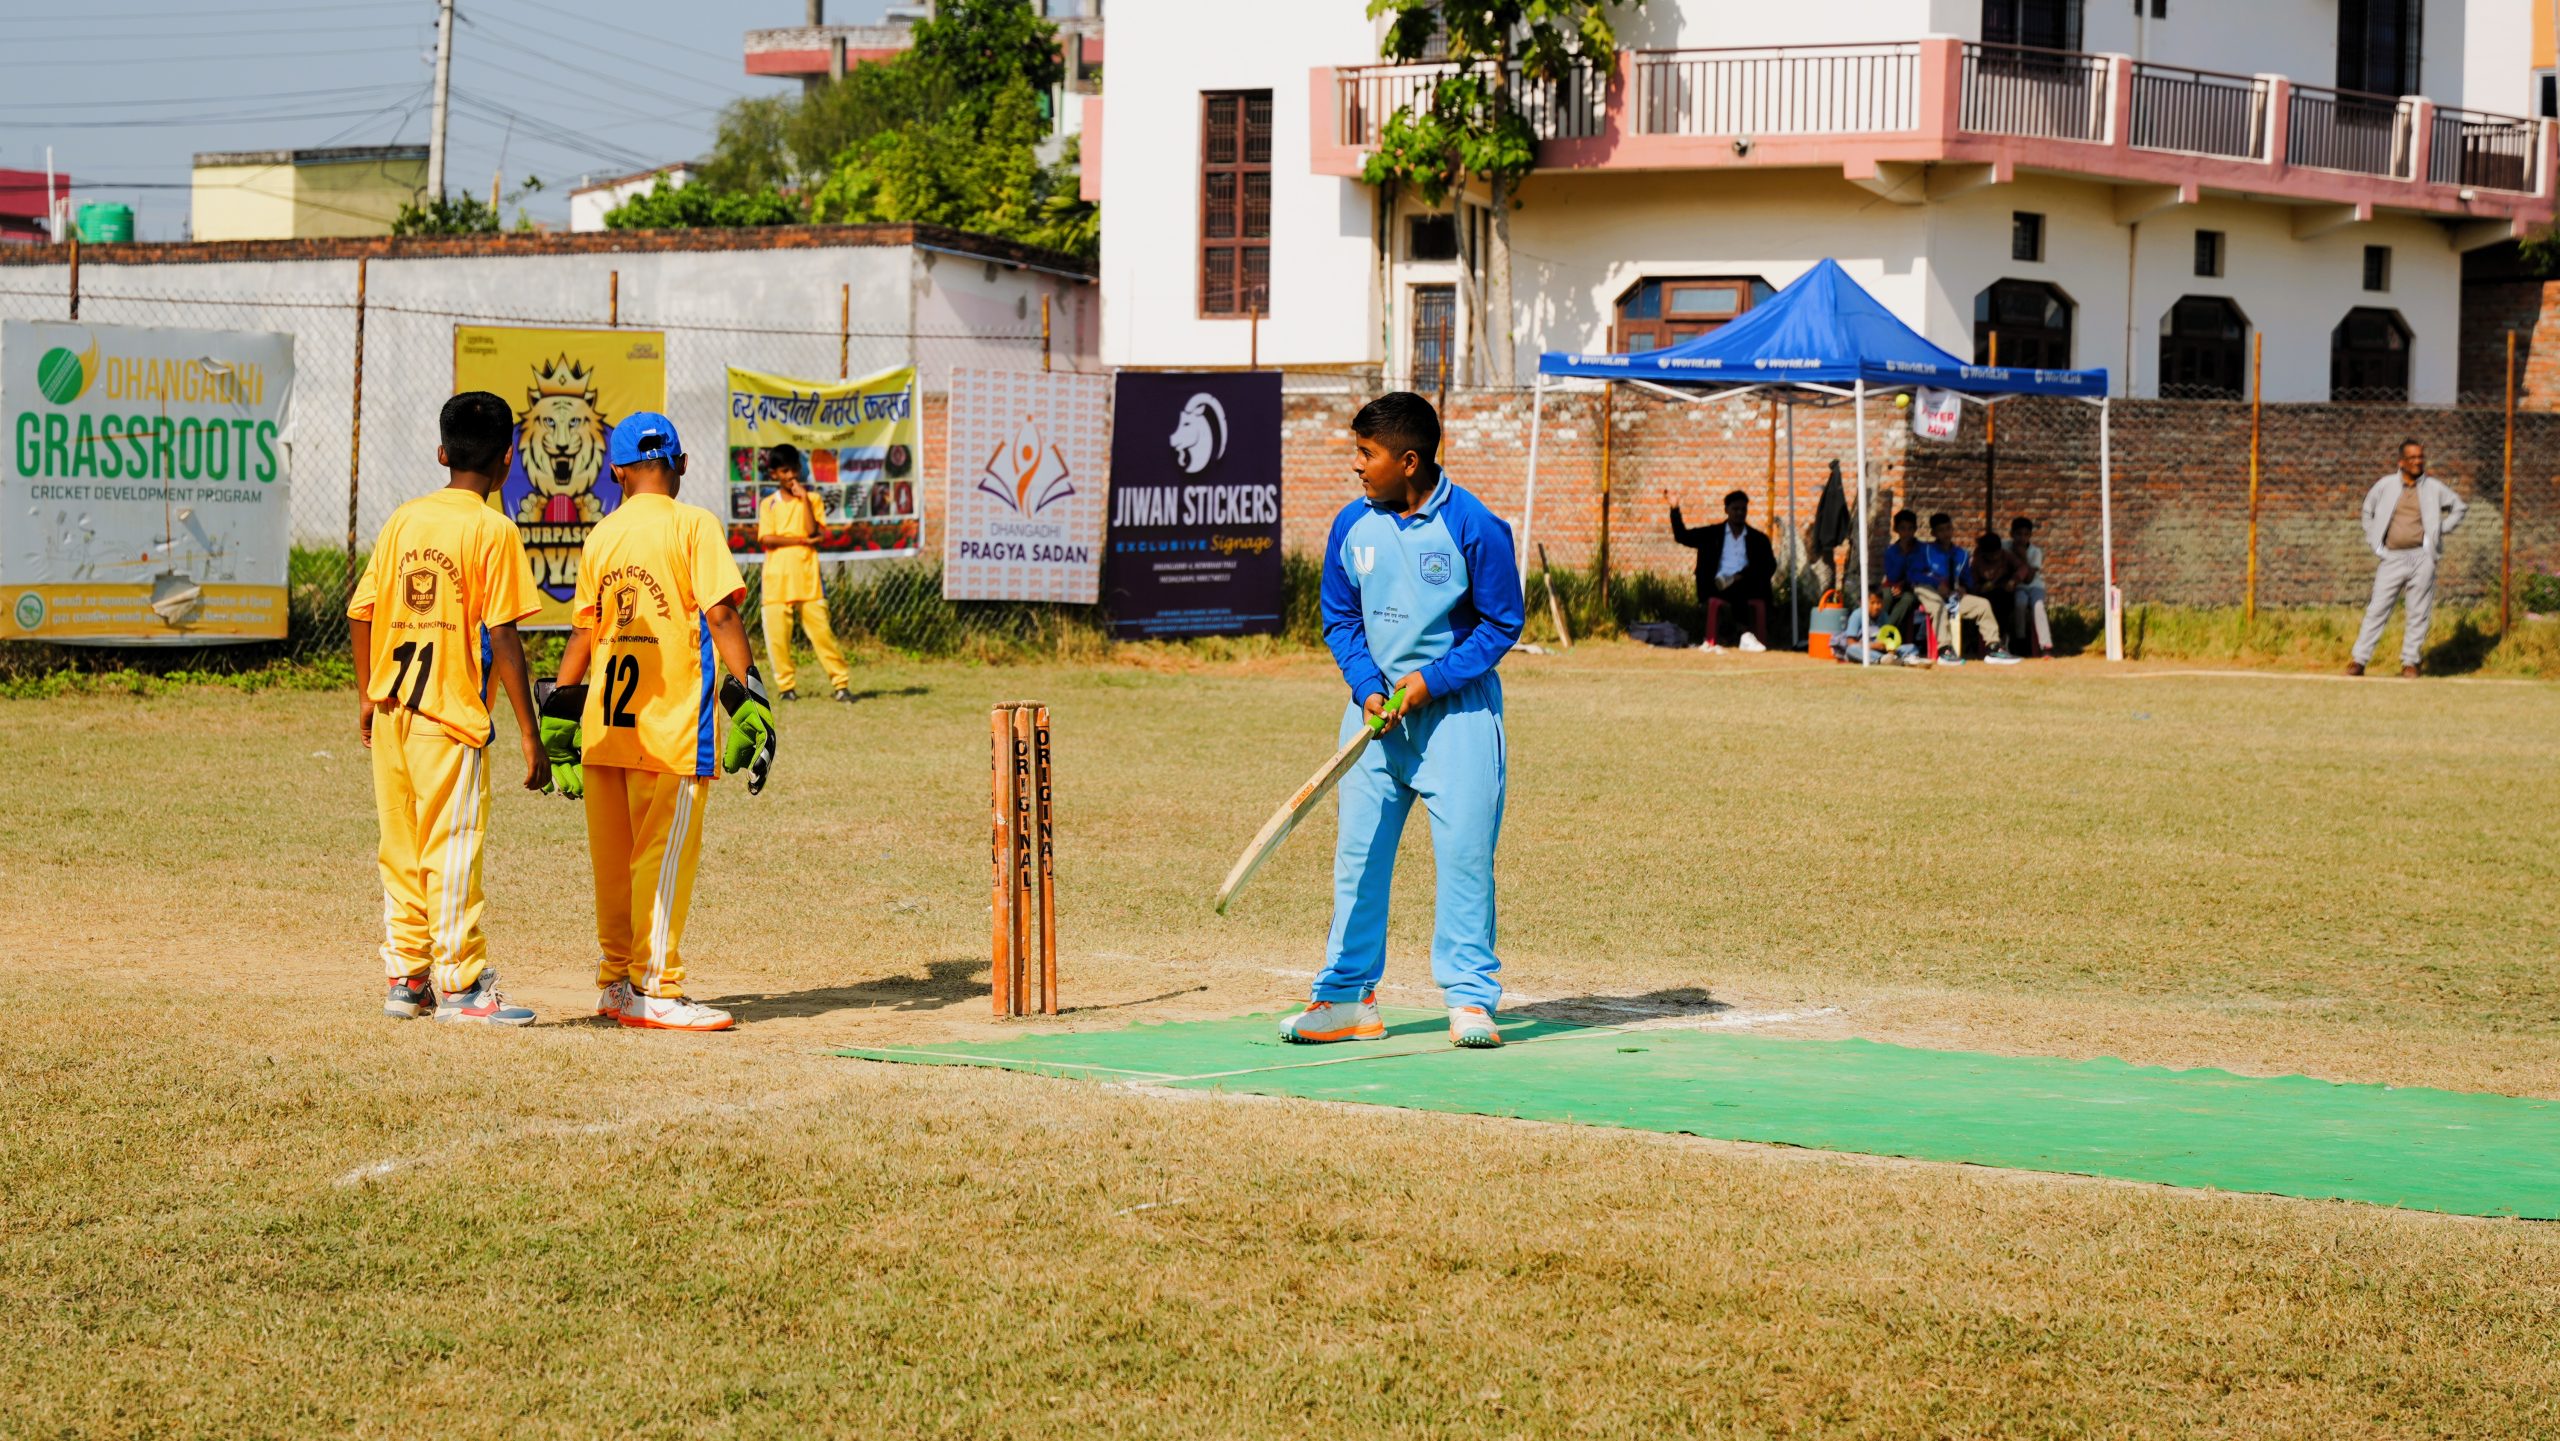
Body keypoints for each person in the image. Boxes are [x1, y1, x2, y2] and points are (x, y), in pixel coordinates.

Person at [1282, 391, 1523, 1050]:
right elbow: (1340, 617)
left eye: (1367, 454)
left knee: (1466, 861)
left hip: (1458, 720)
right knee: (1357, 860)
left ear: (1408, 461)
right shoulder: (1350, 526)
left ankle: (1471, 999)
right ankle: (1345, 998)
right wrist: (1366, 688)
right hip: (1373, 723)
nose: (1357, 466)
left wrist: (1430, 682)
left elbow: (1504, 622)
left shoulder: (1474, 525)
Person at [540, 413, 779, 1033]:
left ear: (615, 471)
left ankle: (619, 981)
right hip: (671, 731)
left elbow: (586, 631)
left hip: (606, 731)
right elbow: (721, 615)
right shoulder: (694, 524)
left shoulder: (603, 536)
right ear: (683, 464)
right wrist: (751, 690)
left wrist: (562, 705)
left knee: (616, 865)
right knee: (659, 859)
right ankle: (656, 987)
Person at [347, 391, 547, 1025]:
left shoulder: (406, 519)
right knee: (453, 845)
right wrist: (529, 733)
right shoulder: (493, 529)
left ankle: (407, 978)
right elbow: (505, 637)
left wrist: (365, 694)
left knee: (400, 847)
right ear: (508, 460)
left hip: (394, 710)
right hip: (449, 716)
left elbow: (363, 610)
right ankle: (460, 985)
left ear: (442, 452)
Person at [2351, 439, 2468, 678]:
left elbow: (2459, 507)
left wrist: (2440, 529)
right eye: (2412, 458)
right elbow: (2367, 510)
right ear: (2401, 462)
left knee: (2418, 611)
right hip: (2392, 557)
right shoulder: (2385, 485)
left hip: (2422, 557)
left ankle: (2410, 662)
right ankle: (2359, 660)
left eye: (2421, 457)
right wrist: (2373, 538)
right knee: (2377, 609)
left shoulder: (2434, 487)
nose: (2418, 461)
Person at [754, 443, 853, 703]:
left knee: (822, 634)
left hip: (808, 580)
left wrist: (804, 500)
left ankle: (840, 683)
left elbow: (812, 532)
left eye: (794, 470)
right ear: (774, 474)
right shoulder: (769, 504)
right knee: (778, 638)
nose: (791, 476)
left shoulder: (813, 500)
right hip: (776, 582)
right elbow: (768, 538)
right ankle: (786, 687)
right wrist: (799, 542)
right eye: (785, 471)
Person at [1671, 488, 1776, 652]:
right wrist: (1674, 508)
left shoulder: (1758, 539)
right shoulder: (1712, 534)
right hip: (1716, 585)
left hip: (1747, 584)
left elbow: (1769, 565)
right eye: (1735, 509)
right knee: (1732, 587)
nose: (1739, 513)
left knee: (1740, 585)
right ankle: (1745, 635)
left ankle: (1743, 634)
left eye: (1743, 509)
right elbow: (1682, 536)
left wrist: (1741, 576)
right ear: (1726, 510)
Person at [1914, 512, 2019, 663]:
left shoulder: (1961, 554)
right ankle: (1945, 650)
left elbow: (1968, 580)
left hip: (1951, 594)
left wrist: (1964, 587)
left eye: (1948, 529)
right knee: (1938, 606)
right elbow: (1913, 574)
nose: (1946, 533)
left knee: (1982, 605)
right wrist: (1936, 585)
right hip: (1927, 590)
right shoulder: (1924, 550)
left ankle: (1994, 648)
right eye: (1941, 530)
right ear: (1933, 533)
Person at [2007, 515, 2052, 657]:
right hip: (2018, 588)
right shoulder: (2005, 546)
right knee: (2020, 603)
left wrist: (2023, 556)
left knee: (2038, 607)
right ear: (2012, 534)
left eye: (2026, 535)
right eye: (2018, 534)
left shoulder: (2035, 552)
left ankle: (2046, 645)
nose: (2022, 538)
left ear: (2030, 536)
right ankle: (2020, 640)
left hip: (2034, 586)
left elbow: (2029, 578)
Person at [1878, 508, 1926, 636]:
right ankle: (1876, 626)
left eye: (1910, 529)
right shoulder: (1892, 551)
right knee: (1886, 596)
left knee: (1908, 599)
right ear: (1896, 530)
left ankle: (1884, 632)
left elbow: (1920, 572)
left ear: (1915, 529)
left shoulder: (1921, 549)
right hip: (1892, 586)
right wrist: (1903, 553)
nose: (1907, 533)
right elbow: (1892, 575)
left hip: (1912, 588)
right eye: (1903, 529)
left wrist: (1903, 585)